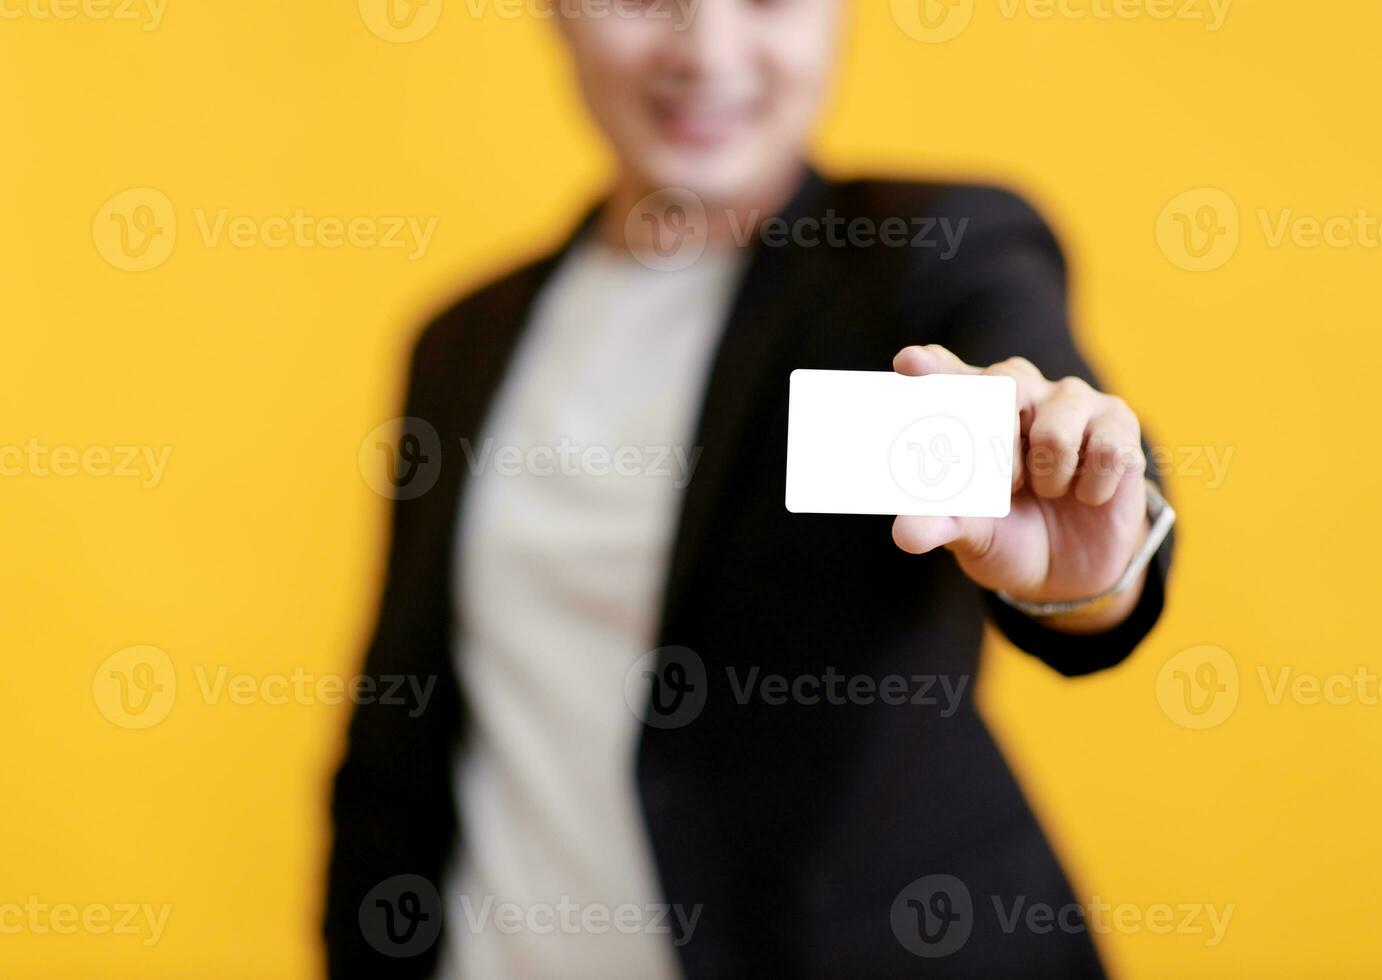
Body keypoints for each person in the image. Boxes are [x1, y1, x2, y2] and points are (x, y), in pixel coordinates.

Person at [325, 0, 1173, 975]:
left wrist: (1090, 558)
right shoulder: (461, 341)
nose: (709, 50)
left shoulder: (926, 253)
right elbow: (401, 728)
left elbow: (1058, 432)